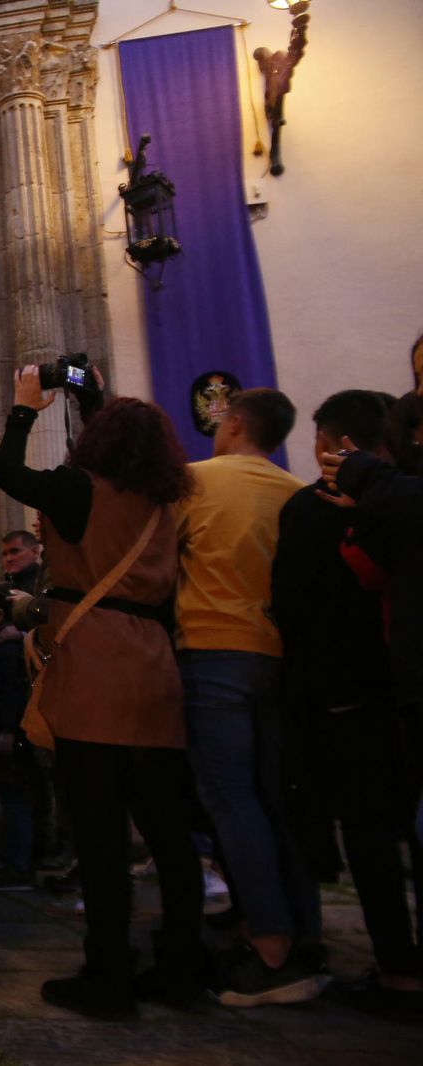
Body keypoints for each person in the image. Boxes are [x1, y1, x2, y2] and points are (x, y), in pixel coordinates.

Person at [0, 368, 205, 1019]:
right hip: (155, 666)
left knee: (101, 833)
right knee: (170, 835)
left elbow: (7, 473)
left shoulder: (77, 490)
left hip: (96, 671)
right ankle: (181, 969)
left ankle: (108, 974)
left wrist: (26, 409)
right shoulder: (160, 502)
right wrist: (94, 398)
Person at [176, 386, 323, 1007]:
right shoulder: (296, 493)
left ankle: (269, 949)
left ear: (234, 423)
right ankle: (298, 932)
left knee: (230, 801)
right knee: (272, 801)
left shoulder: (196, 480)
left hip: (212, 648)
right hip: (276, 657)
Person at [277, 390, 422, 1004]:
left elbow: (292, 605)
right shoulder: (407, 499)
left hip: (346, 693)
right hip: (401, 689)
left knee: (367, 836)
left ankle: (396, 968)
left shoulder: (314, 510)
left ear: (332, 445)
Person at [0, 530, 47, 893]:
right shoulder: (8, 587)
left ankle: (21, 862)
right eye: (4, 553)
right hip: (12, 707)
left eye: (16, 551)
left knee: (19, 793)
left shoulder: (41, 584)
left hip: (26, 705)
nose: (10, 559)